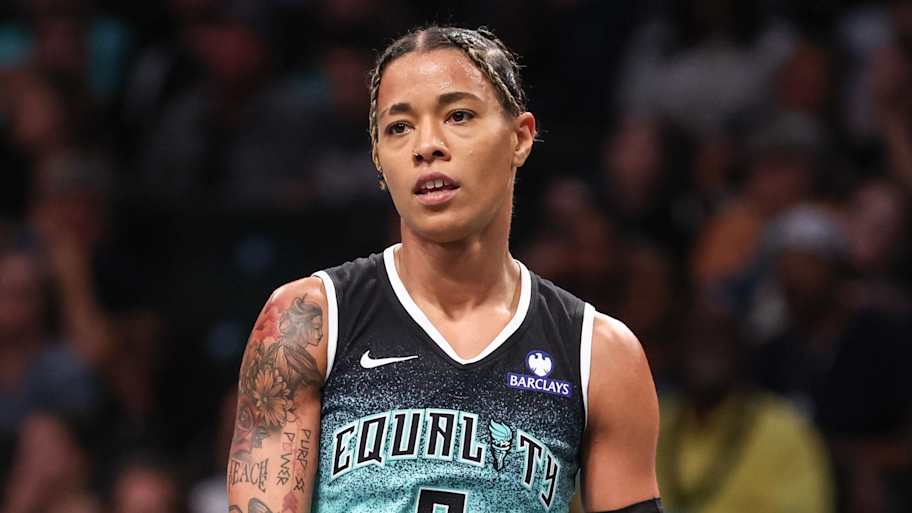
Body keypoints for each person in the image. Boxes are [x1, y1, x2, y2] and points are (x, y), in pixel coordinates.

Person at [227, 26, 662, 513]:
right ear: (378, 157)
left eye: (458, 115)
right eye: (399, 127)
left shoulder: (599, 354)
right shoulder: (306, 322)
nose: (426, 145)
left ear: (520, 138)